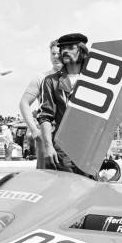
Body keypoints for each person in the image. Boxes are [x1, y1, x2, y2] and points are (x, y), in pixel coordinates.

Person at [37, 32, 90, 174]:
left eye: (71, 47)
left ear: (82, 50)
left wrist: (105, 147)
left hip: (89, 147)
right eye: (63, 48)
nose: (65, 51)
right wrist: (48, 147)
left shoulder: (93, 81)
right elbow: (45, 117)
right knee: (66, 191)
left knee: (90, 191)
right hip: (63, 147)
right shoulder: (50, 81)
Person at [19, 40, 63, 169]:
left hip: (67, 135)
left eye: (58, 53)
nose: (55, 57)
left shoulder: (75, 77)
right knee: (46, 176)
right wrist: (34, 130)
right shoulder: (41, 77)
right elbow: (24, 103)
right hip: (47, 132)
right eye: (53, 53)